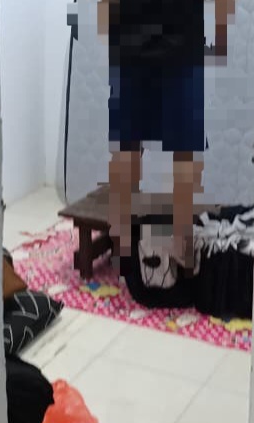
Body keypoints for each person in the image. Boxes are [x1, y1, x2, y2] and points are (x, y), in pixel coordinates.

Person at [98, 0, 232, 269]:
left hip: (132, 40)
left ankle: (122, 246)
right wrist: (221, 34)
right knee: (184, 146)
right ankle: (181, 245)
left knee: (128, 144)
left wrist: (109, 31)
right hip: (181, 43)